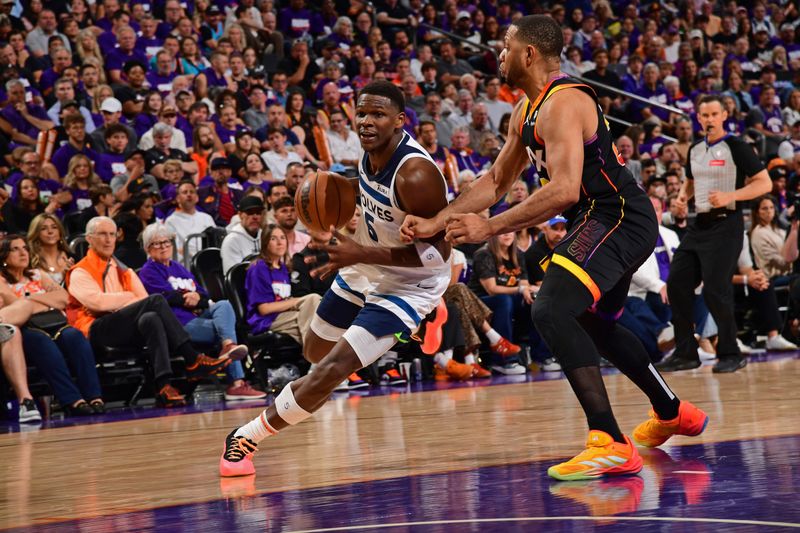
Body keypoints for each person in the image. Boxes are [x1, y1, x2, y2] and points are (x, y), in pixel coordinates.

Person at [401, 16, 707, 481]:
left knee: (551, 309)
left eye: (505, 46)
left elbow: (563, 189)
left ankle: (608, 440)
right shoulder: (525, 110)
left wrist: (489, 226)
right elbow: (497, 180)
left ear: (528, 54)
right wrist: (438, 221)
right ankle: (672, 412)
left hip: (617, 214)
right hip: (600, 218)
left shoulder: (565, 102)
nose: (498, 54)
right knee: (593, 322)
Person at [220, 81, 452, 477]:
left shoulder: (416, 174)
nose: (365, 122)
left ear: (399, 121)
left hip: (411, 284)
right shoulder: (367, 154)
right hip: (363, 265)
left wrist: (361, 251)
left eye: (377, 115)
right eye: (361, 113)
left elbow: (436, 254)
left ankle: (246, 437)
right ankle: (401, 334)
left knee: (329, 372)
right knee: (314, 352)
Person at [65, 216, 234, 407]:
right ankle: (192, 358)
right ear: (89, 238)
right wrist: (128, 297)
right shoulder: (80, 271)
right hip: (94, 329)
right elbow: (97, 303)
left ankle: (163, 387)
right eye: (102, 234)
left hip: (123, 325)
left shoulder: (123, 269)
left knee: (151, 317)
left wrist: (124, 302)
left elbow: (142, 299)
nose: (108, 239)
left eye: (112, 234)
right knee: (155, 301)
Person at [658, 95, 772, 373]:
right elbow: (690, 181)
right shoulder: (695, 149)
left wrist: (730, 195)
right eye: (704, 115)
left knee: (715, 290)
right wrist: (682, 200)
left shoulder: (736, 146)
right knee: (677, 283)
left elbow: (764, 183)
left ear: (724, 116)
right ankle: (686, 353)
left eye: (713, 114)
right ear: (698, 118)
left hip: (728, 224)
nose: (709, 119)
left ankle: (731, 352)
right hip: (700, 225)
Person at [138, 224, 266, 401]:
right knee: (226, 330)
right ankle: (236, 383)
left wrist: (197, 297)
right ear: (147, 248)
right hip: (178, 324)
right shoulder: (147, 271)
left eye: (166, 242)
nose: (163, 247)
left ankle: (228, 346)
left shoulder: (178, 267)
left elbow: (205, 295)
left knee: (224, 305)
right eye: (157, 244)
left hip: (197, 316)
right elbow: (163, 298)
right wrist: (187, 298)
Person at [0, 235, 104, 416]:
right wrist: (44, 301)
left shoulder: (38, 275)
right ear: (3, 257)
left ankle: (94, 396)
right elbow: (17, 305)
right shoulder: (2, 281)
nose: (23, 252)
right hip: (26, 329)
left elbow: (63, 299)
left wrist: (29, 299)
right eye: (15, 249)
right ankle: (72, 400)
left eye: (24, 248)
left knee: (75, 337)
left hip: (54, 322)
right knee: (43, 343)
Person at [244, 224, 321, 344]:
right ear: (265, 243)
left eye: (282, 238)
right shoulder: (258, 268)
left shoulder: (284, 269)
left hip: (286, 315)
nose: (280, 242)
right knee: (314, 313)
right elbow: (264, 309)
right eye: (273, 238)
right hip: (267, 320)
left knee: (318, 321)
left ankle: (313, 357)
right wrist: (296, 301)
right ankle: (315, 359)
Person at [165, 180, 217, 264]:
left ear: (197, 197)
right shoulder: (171, 221)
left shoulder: (206, 218)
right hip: (185, 265)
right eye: (185, 192)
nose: (189, 195)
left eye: (192, 192)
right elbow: (175, 250)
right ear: (178, 198)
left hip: (208, 263)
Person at [220, 196, 265, 273]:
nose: (255, 217)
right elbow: (233, 275)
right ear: (240, 215)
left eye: (258, 213)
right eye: (250, 212)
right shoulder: (231, 240)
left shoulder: (265, 236)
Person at [27, 214, 74, 286]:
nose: (50, 231)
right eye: (43, 228)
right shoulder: (29, 260)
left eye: (54, 227)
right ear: (36, 233)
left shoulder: (71, 257)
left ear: (60, 232)